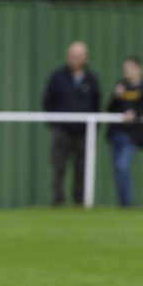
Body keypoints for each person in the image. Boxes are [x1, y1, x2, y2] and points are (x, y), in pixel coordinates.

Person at [43, 41, 100, 206]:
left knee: (82, 170)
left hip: (84, 132)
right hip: (62, 130)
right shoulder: (57, 77)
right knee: (58, 167)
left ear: (85, 58)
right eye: (71, 55)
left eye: (77, 56)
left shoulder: (92, 79)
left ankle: (80, 202)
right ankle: (58, 201)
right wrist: (55, 124)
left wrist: (93, 129)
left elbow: (97, 105)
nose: (73, 58)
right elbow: (48, 102)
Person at [106, 56, 143, 207]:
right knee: (117, 169)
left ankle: (127, 204)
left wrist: (135, 113)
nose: (127, 71)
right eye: (125, 68)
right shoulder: (121, 86)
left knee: (122, 165)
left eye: (130, 67)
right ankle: (123, 204)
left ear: (138, 68)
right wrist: (116, 96)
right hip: (117, 133)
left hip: (134, 135)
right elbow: (110, 108)